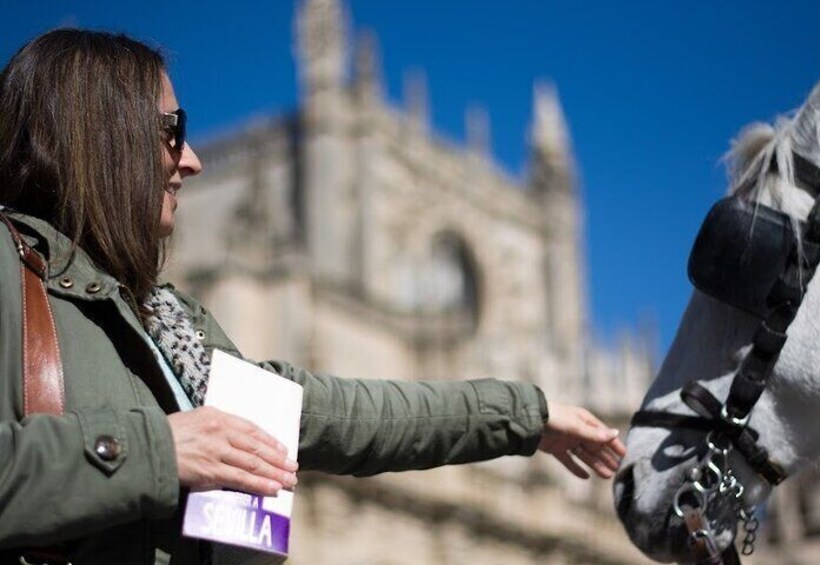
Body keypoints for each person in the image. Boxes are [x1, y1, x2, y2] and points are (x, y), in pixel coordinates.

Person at [0, 29, 625, 564]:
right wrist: (158, 450)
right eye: (171, 131)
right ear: (97, 134)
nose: (191, 160)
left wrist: (526, 416)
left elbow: (334, 416)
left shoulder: (172, 325)